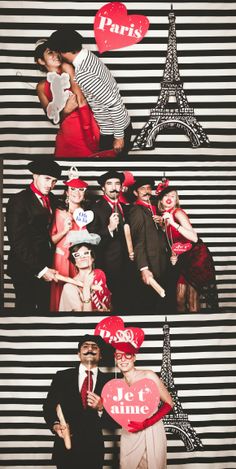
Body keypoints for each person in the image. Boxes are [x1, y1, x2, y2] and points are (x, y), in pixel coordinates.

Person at [47, 27, 132, 156]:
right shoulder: (89, 56)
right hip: (119, 125)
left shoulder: (83, 73)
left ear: (61, 52)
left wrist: (119, 137)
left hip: (113, 131)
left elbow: (114, 104)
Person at [43, 334, 113, 469]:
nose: (90, 349)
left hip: (93, 450)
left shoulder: (110, 383)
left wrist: (101, 408)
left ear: (101, 355)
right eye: (85, 347)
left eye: (95, 347)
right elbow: (48, 407)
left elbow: (114, 422)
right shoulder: (62, 377)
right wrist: (56, 425)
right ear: (78, 354)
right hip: (65, 448)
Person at [5, 159, 61, 313]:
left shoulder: (53, 199)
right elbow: (18, 243)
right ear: (35, 176)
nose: (50, 185)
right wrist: (41, 270)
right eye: (47, 179)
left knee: (45, 308)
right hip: (25, 267)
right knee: (25, 309)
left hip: (47, 264)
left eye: (54, 181)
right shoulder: (18, 201)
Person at [157, 178, 219, 312]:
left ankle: (195, 330)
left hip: (197, 258)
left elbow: (194, 237)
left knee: (192, 299)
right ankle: (183, 329)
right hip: (184, 259)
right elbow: (174, 241)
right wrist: (174, 255)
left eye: (173, 196)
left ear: (176, 199)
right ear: (161, 200)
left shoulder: (178, 213)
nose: (169, 198)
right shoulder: (165, 217)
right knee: (179, 298)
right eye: (166, 195)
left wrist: (173, 223)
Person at [35, 39, 100, 157]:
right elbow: (52, 119)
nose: (56, 55)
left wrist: (90, 137)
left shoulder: (68, 69)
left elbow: (83, 101)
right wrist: (66, 110)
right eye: (50, 53)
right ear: (40, 60)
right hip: (65, 138)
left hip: (87, 134)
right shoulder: (41, 87)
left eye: (57, 51)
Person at [114, 344, 173, 469]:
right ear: (115, 359)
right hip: (129, 433)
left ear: (134, 358)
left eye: (127, 355)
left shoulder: (148, 375)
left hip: (151, 429)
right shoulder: (117, 385)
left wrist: (147, 423)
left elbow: (169, 403)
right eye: (119, 356)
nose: (123, 359)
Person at [128, 177, 172, 312]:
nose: (147, 191)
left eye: (148, 188)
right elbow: (138, 241)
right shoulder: (136, 210)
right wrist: (144, 268)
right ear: (135, 193)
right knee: (151, 303)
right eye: (142, 189)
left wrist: (162, 225)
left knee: (163, 303)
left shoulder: (155, 208)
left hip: (162, 262)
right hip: (150, 264)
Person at [87, 170, 130, 311]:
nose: (114, 187)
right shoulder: (95, 208)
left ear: (122, 187)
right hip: (108, 267)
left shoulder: (126, 208)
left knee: (126, 303)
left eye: (117, 183)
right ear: (103, 188)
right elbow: (92, 240)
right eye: (109, 184)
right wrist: (110, 228)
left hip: (128, 265)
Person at [50, 170, 89, 311]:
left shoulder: (87, 214)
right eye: (73, 189)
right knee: (62, 296)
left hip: (81, 260)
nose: (77, 193)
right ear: (66, 192)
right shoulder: (58, 213)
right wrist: (64, 231)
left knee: (81, 296)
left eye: (80, 190)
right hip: (62, 261)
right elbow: (51, 241)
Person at [59, 231, 111, 312]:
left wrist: (106, 310)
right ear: (75, 262)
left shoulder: (100, 274)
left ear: (92, 258)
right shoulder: (69, 287)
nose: (82, 257)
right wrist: (86, 287)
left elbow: (108, 302)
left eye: (86, 253)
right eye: (77, 255)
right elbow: (83, 318)